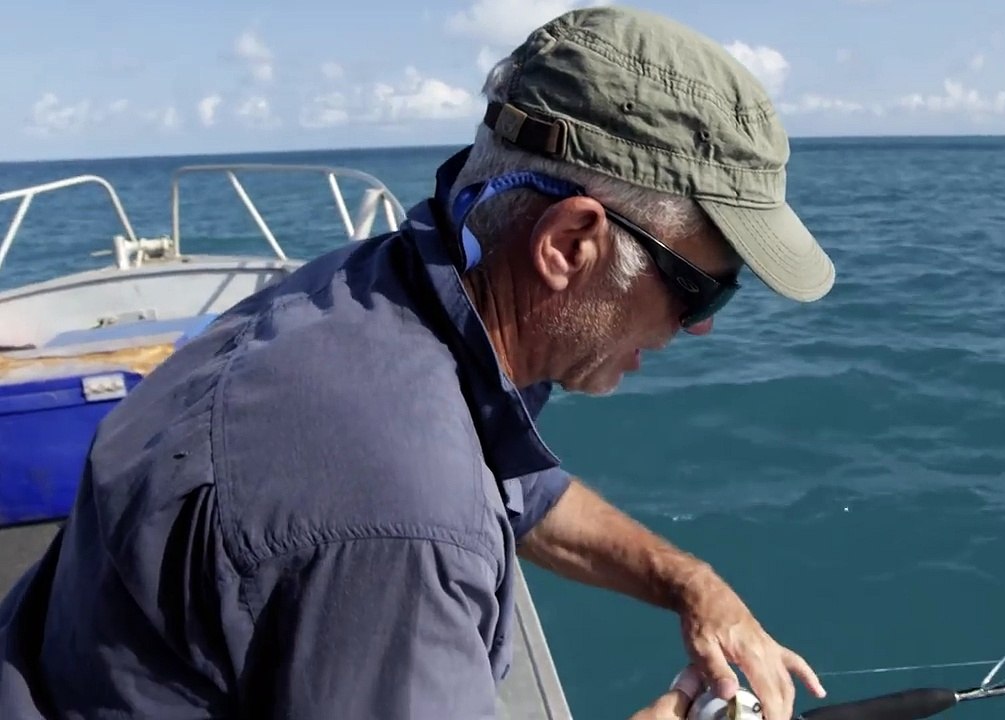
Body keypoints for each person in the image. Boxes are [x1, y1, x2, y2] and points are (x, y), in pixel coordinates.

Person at [0, 5, 836, 720]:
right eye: (700, 290)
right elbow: (403, 512)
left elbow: (524, 490)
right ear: (569, 245)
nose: (699, 331)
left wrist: (691, 583)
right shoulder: (403, 519)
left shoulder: (375, 290)